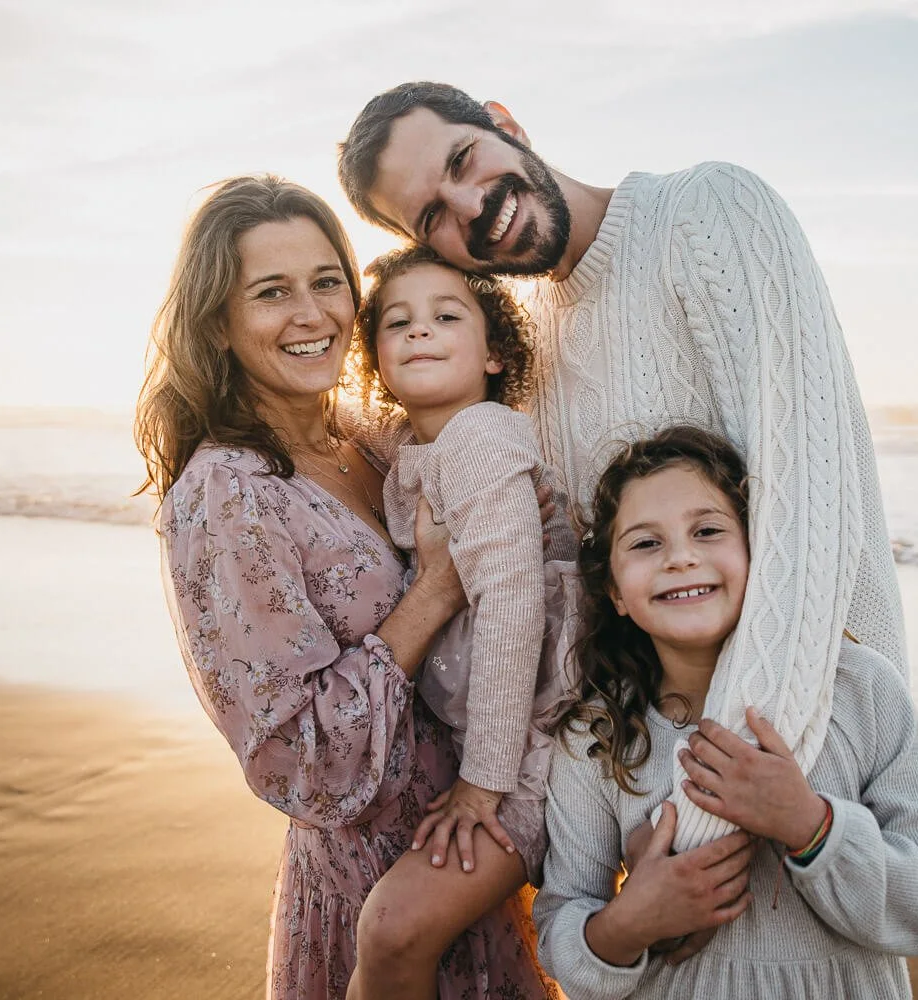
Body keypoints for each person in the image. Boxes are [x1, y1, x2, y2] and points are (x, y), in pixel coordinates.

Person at [338, 82, 910, 855]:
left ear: (506, 124)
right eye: (432, 215)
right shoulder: (524, 345)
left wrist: (699, 825)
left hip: (818, 757)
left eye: (464, 160)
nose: (470, 206)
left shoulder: (710, 212)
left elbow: (807, 525)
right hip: (664, 791)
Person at [135, 175, 554, 1000]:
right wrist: (435, 590)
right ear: (218, 323)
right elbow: (299, 761)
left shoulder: (369, 443)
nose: (312, 314)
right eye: (270, 293)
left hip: (467, 842)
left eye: (328, 282)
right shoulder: (229, 494)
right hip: (375, 877)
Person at [535, 425, 918, 998]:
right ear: (614, 590)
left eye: (708, 530)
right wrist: (629, 925)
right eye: (645, 543)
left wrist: (809, 824)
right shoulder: (597, 733)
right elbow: (562, 920)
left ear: (758, 551)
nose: (681, 558)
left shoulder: (859, 692)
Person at [341, 245, 579, 999]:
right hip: (494, 743)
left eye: (446, 317)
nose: (419, 332)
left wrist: (483, 787)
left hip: (532, 750)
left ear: (497, 353)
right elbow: (342, 417)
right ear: (374, 357)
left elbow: (513, 616)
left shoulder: (479, 438)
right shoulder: (418, 443)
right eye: (396, 323)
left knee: (394, 928)